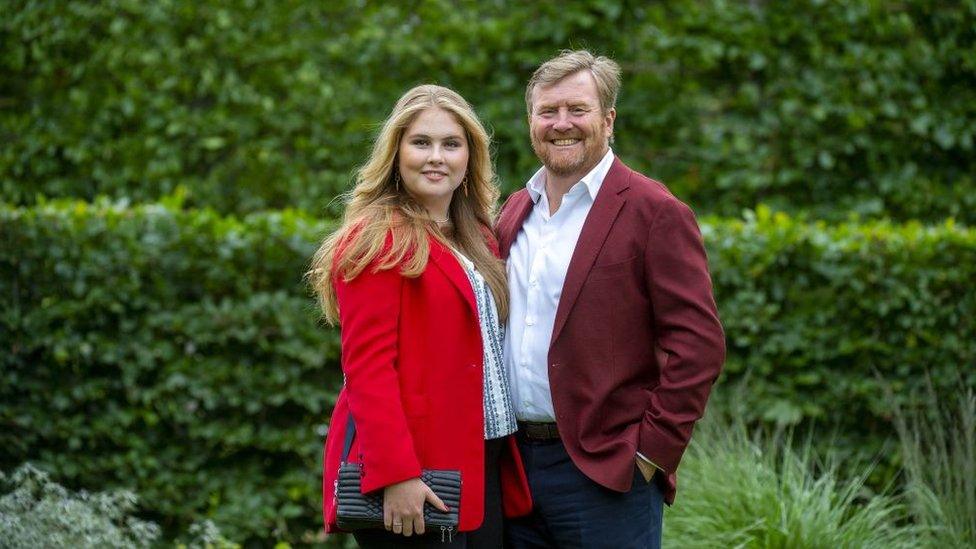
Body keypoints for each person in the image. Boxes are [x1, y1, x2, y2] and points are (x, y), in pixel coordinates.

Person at [496, 50, 726, 548]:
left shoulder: (654, 211)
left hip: (606, 474)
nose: (562, 124)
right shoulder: (515, 210)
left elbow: (699, 345)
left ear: (608, 119)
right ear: (531, 121)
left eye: (577, 110)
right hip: (513, 468)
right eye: (548, 111)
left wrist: (649, 454)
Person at [311, 85, 532, 548]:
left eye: (451, 144)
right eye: (421, 143)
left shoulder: (479, 240)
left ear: (469, 158)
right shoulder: (377, 241)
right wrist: (396, 475)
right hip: (417, 474)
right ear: (396, 153)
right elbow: (367, 370)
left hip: (482, 460)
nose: (436, 157)